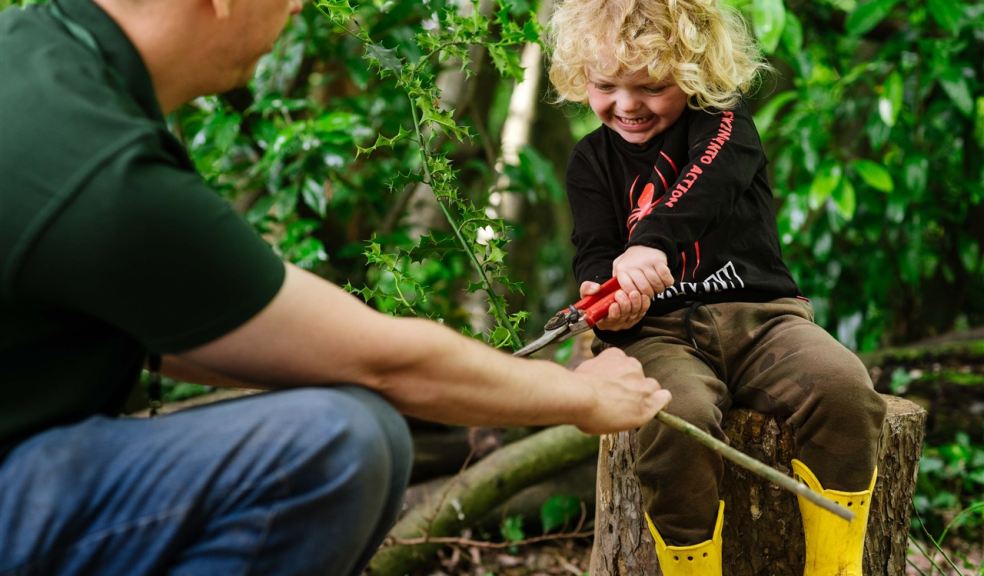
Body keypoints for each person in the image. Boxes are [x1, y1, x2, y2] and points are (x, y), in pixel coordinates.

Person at [0, 0, 672, 574]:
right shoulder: (95, 159)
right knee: (335, 444)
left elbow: (194, 333)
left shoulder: (39, 59)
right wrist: (581, 395)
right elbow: (378, 357)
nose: (296, 10)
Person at [546, 0, 888, 574]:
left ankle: (835, 565)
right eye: (605, 85)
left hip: (764, 318)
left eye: (651, 86)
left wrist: (651, 243)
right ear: (581, 78)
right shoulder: (589, 162)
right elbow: (596, 252)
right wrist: (609, 301)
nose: (627, 105)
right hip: (658, 335)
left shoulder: (727, 126)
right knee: (674, 417)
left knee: (843, 389)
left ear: (693, 74)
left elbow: (703, 188)